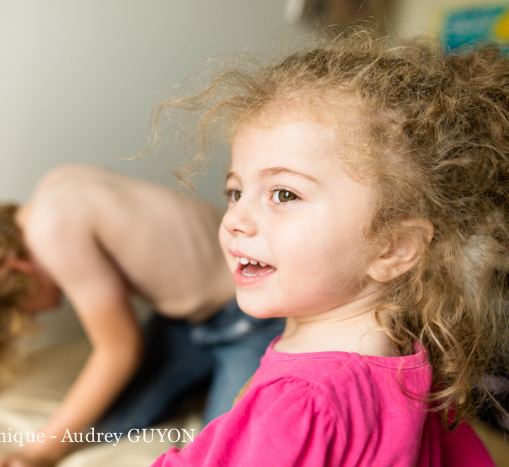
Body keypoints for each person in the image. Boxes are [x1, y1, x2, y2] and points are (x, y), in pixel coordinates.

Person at [148, 33, 509, 466]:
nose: (234, 219)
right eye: (236, 191)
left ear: (392, 248)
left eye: (283, 194)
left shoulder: (303, 403)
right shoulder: (406, 365)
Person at [0, 164, 285, 467]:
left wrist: (38, 453)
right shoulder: (53, 189)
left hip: (249, 317)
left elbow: (117, 352)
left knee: (227, 451)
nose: (39, 313)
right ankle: (201, 374)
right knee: (102, 425)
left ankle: (222, 373)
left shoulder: (54, 229)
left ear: (13, 273)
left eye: (17, 310)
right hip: (185, 320)